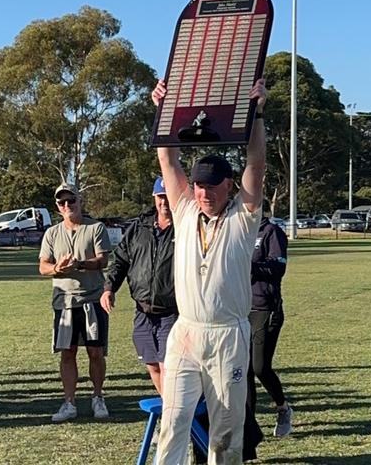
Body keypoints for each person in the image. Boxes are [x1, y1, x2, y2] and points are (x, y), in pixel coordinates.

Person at [152, 78, 267, 464]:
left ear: (229, 185)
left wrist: (257, 114)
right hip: (185, 333)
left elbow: (257, 163)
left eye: (212, 185)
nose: (204, 193)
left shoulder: (242, 218)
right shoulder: (185, 211)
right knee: (174, 421)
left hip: (228, 334)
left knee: (225, 432)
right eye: (199, 185)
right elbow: (168, 160)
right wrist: (163, 112)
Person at [39, 183, 112, 423]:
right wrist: (57, 268)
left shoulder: (95, 228)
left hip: (92, 299)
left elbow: (103, 260)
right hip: (64, 302)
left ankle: (98, 397)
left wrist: (80, 264)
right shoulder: (52, 233)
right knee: (67, 353)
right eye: (62, 202)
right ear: (57, 207)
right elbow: (43, 266)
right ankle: (69, 402)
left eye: (71, 200)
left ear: (80, 201)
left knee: (95, 351)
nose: (67, 205)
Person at [100, 176, 178, 396]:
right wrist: (109, 289)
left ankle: (176, 419)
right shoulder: (138, 228)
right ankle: (169, 411)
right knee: (152, 365)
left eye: (169, 197)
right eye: (160, 197)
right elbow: (121, 260)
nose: (165, 202)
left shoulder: (186, 227)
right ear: (154, 198)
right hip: (142, 310)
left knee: (168, 367)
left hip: (172, 311)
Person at [248, 214, 292, 437]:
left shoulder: (271, 232)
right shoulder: (237, 230)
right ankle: (249, 425)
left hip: (266, 308)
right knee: (242, 370)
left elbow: (277, 268)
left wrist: (248, 265)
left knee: (259, 367)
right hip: (238, 309)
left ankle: (282, 407)